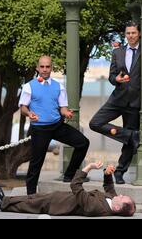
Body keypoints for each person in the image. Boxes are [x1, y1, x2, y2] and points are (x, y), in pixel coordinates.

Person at [89, 21, 142, 184]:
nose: (130, 36)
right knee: (95, 123)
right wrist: (116, 79)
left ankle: (119, 171)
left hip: (136, 102)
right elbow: (112, 76)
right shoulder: (118, 52)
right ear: (125, 35)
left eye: (133, 33)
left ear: (139, 34)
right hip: (117, 99)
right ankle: (131, 135)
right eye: (128, 33)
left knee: (129, 145)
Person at [19, 55, 90, 195]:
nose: (45, 69)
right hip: (39, 129)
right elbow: (23, 107)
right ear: (37, 68)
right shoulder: (28, 87)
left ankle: (69, 175)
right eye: (42, 67)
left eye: (48, 67)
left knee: (83, 143)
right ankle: (31, 195)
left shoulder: (59, 87)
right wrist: (29, 114)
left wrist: (66, 113)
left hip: (57, 126)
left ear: (51, 68)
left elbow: (62, 108)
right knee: (36, 163)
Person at [0, 162, 136, 217]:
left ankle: (3, 203)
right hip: (61, 197)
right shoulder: (112, 201)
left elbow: (76, 187)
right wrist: (107, 174)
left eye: (123, 198)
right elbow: (109, 187)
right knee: (32, 199)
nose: (121, 194)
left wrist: (88, 168)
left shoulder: (97, 208)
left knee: (30, 205)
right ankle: (5, 201)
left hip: (59, 205)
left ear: (117, 207)